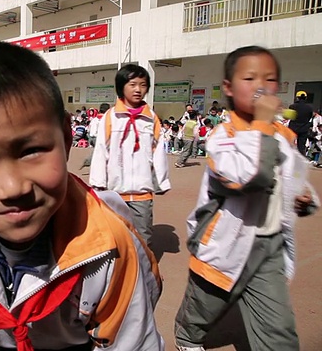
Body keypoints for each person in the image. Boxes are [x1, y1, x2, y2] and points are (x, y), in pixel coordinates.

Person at [0, 41, 163, 350]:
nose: (14, 187)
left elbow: (130, 343)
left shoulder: (108, 244)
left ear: (67, 137)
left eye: (32, 151)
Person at [174, 45, 319, 351]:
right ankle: (188, 337)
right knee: (205, 304)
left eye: (269, 79)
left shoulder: (281, 136)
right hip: (225, 243)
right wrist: (265, 125)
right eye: (250, 78)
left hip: (269, 246)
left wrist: (304, 198)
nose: (261, 86)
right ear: (228, 87)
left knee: (278, 331)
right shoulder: (222, 137)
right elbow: (251, 176)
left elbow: (291, 176)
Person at [89, 64, 171, 247]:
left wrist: (162, 181)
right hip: (116, 191)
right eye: (132, 84)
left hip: (142, 191)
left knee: (143, 236)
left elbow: (158, 152)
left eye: (142, 85)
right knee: (116, 235)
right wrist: (98, 182)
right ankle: (122, 273)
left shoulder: (151, 118)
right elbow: (101, 150)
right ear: (121, 86)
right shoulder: (111, 117)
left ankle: (146, 273)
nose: (138, 90)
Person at [288, 90, 314, 156]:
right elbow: (310, 117)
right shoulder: (309, 107)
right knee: (301, 146)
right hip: (304, 128)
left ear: (297, 97)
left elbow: (289, 116)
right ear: (305, 98)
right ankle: (301, 159)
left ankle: (289, 158)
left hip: (293, 127)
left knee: (290, 143)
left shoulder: (292, 106)